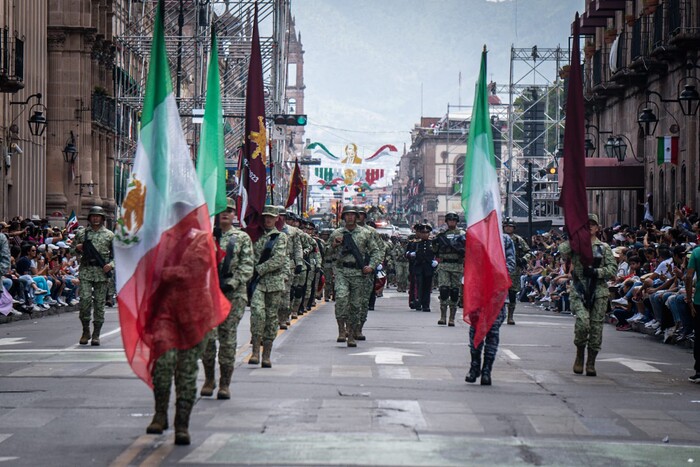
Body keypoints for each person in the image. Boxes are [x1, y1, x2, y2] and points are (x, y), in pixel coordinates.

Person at [200, 199, 254, 399]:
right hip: (209, 296)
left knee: (228, 340)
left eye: (229, 211)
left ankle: (224, 383)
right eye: (222, 210)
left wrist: (233, 282)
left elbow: (248, 266)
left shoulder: (241, 238)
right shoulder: (206, 236)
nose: (225, 214)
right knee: (207, 340)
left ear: (234, 215)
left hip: (233, 296)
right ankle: (208, 379)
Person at [558, 213, 616, 377]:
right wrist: (575, 237)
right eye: (586, 224)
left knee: (596, 328)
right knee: (583, 323)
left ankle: (591, 362)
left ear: (597, 228)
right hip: (579, 289)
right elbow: (562, 250)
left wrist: (596, 272)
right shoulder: (577, 246)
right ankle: (579, 354)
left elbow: (612, 270)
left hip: (598, 290)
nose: (589, 226)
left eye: (592, 224)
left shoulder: (604, 248)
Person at [326, 205, 382, 346]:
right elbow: (326, 253)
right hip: (342, 271)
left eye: (353, 215)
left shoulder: (365, 233)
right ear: (343, 217)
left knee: (356, 305)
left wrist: (371, 266)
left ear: (357, 217)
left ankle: (351, 334)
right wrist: (333, 245)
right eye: (347, 215)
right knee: (341, 298)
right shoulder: (337, 233)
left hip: (358, 273)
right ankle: (341, 330)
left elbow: (376, 251)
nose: (350, 217)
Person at [465, 233, 516, 385]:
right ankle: (474, 367)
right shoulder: (475, 234)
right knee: (476, 330)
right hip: (478, 291)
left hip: (496, 291)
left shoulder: (504, 239)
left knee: (492, 331)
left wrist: (493, 271)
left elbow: (511, 265)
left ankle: (487, 369)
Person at [248, 205, 288, 368]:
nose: (268, 219)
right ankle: (255, 351)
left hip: (274, 283)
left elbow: (278, 259)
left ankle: (266, 354)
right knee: (257, 315)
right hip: (257, 283)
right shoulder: (255, 236)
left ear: (277, 218)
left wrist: (258, 269)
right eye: (265, 216)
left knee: (271, 319)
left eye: (271, 217)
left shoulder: (280, 237)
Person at [72, 206, 114, 346]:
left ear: (102, 218)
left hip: (102, 272)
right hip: (86, 271)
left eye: (98, 216)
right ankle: (85, 330)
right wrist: (77, 249)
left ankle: (96, 334)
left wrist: (111, 265)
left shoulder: (109, 235)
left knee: (99, 305)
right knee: (84, 301)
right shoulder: (82, 234)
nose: (96, 218)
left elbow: (118, 255)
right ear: (89, 218)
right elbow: (71, 251)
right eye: (93, 216)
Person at [433, 212, 465, 326]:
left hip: (457, 265)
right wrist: (435, 243)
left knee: (455, 292)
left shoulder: (462, 234)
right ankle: (443, 316)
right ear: (446, 222)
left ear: (457, 222)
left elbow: (469, 249)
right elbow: (435, 249)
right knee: (444, 290)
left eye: (454, 220)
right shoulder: (442, 234)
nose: (452, 222)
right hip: (444, 265)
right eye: (449, 220)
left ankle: (452, 318)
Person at [502, 217, 530, 325]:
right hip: (500, 269)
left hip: (514, 269)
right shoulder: (499, 238)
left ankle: (510, 316)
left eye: (510, 226)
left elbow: (529, 252)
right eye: (506, 226)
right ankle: (500, 314)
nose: (508, 228)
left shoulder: (518, 239)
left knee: (512, 293)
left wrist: (523, 259)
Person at [406, 223, 437, 312]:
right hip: (418, 267)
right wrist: (411, 254)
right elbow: (407, 253)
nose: (424, 234)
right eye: (423, 232)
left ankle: (426, 305)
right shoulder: (415, 243)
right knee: (419, 285)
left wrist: (436, 261)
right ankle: (418, 302)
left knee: (427, 286)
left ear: (429, 233)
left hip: (428, 267)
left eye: (426, 232)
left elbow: (437, 253)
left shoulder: (432, 243)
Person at [683, 245, 700, 383]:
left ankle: (699, 371)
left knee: (699, 336)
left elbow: (688, 276)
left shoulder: (696, 252)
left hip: (699, 300)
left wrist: (689, 299)